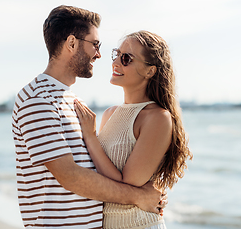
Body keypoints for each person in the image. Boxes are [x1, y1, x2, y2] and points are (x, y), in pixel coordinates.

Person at [11, 6, 166, 229]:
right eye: (95, 44)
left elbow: (100, 170)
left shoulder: (73, 102)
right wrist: (138, 197)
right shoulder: (38, 99)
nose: (99, 54)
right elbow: (71, 176)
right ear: (72, 43)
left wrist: (150, 195)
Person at [74, 30, 193, 228]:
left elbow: (128, 184)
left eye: (126, 58)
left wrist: (90, 136)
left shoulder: (157, 117)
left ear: (150, 71)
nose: (116, 63)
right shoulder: (109, 114)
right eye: (116, 55)